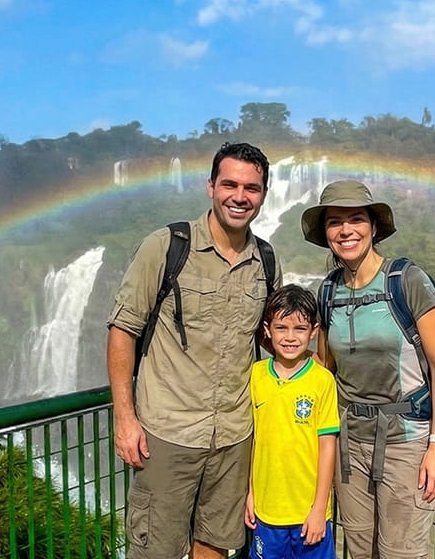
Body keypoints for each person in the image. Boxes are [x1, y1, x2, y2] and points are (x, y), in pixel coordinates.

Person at [107, 142, 282, 559]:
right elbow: (122, 330)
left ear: (263, 194)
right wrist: (125, 418)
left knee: (216, 546)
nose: (240, 196)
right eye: (230, 184)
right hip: (168, 434)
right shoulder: (166, 247)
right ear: (210, 187)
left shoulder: (267, 261)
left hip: (235, 437)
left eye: (252, 188)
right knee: (156, 550)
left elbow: (274, 337)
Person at [300, 180, 435, 559]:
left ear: (373, 226)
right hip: (350, 443)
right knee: (360, 549)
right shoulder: (328, 291)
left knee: (401, 552)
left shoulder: (408, 281)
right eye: (335, 222)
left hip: (406, 442)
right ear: (326, 233)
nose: (346, 230)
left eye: (356, 219)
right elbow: (325, 367)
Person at [245, 284, 340, 559]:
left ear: (313, 332)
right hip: (267, 511)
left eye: (299, 329)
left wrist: (319, 509)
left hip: (308, 512)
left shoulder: (322, 381)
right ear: (267, 330)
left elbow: (327, 448)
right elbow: (256, 440)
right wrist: (252, 494)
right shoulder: (256, 376)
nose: (290, 337)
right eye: (281, 328)